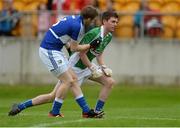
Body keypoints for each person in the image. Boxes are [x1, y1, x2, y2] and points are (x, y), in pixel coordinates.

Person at [8, 10, 118, 118]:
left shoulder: (107, 36)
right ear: (104, 21)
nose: (115, 24)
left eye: (116, 22)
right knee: (59, 90)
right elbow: (78, 51)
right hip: (75, 64)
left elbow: (96, 51)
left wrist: (103, 66)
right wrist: (92, 66)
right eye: (113, 21)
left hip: (81, 64)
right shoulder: (89, 31)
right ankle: (53, 111)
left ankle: (94, 111)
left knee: (109, 82)